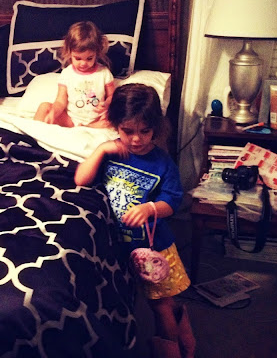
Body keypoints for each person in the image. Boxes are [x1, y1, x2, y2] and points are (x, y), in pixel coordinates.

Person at [74, 84, 195, 358]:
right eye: (127, 131)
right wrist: (102, 150)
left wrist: (151, 208)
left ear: (156, 128)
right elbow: (81, 179)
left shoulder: (162, 162)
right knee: (123, 299)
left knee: (161, 305)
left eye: (145, 131)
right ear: (116, 124)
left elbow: (173, 201)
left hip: (154, 248)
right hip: (119, 247)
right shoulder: (113, 154)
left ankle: (175, 350)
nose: (136, 139)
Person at [34, 21, 114, 128]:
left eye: (89, 58)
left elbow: (112, 96)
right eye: (78, 58)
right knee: (44, 107)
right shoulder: (67, 74)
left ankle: (88, 127)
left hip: (97, 120)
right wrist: (53, 111)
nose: (83, 63)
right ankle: (32, 136)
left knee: (115, 117)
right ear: (69, 52)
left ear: (97, 53)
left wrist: (106, 104)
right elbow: (60, 101)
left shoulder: (103, 73)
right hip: (71, 120)